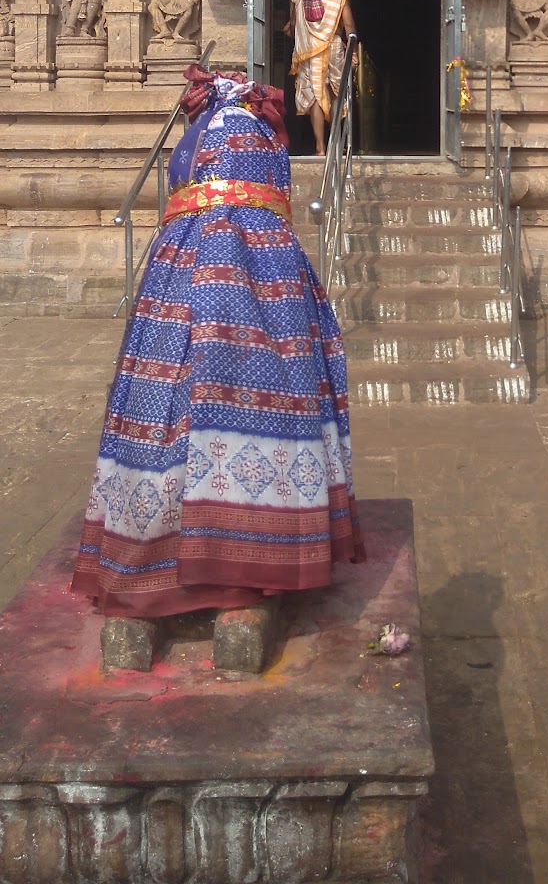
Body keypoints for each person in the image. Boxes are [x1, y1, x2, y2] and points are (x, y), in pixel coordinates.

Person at [71, 68, 364, 619]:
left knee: (171, 408)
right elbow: (259, 213)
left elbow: (226, 207)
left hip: (184, 282)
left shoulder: (207, 143)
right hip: (259, 291)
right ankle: (253, 551)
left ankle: (170, 548)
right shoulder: (249, 141)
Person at [287, 0, 357, 155]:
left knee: (316, 96)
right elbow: (349, 24)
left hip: (308, 48)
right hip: (334, 46)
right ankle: (336, 143)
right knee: (335, 92)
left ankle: (320, 147)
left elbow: (293, 24)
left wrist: (300, 43)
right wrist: (353, 48)